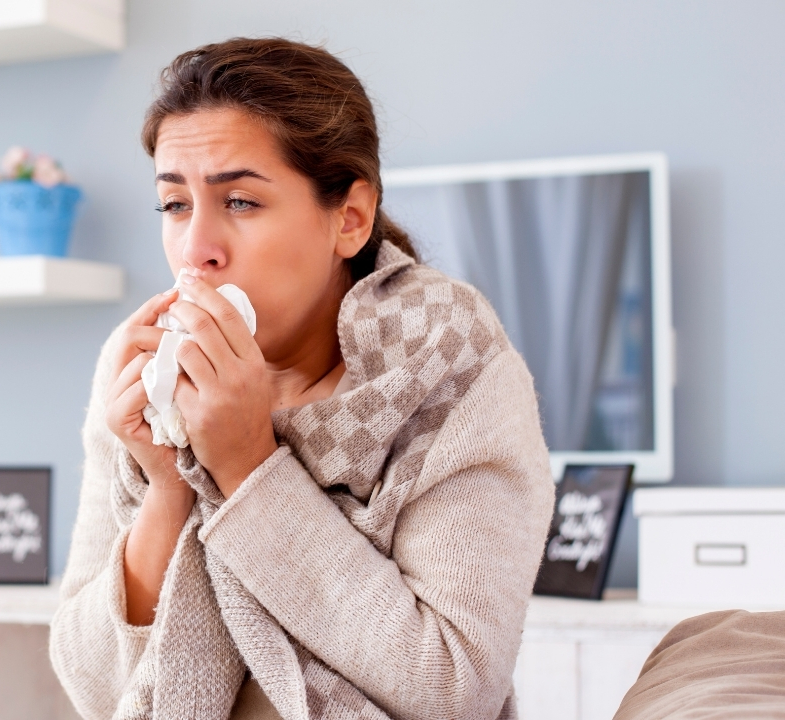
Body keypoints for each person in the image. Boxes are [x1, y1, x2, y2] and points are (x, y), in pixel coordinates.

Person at [49, 37, 554, 720]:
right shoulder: (142, 366)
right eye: (174, 205)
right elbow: (92, 687)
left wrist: (246, 467)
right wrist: (168, 488)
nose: (196, 250)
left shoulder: (448, 362)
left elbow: (454, 689)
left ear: (350, 219)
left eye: (240, 202)